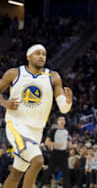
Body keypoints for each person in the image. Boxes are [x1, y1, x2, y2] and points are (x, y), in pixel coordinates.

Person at [0, 44, 73, 188]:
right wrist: (4, 103)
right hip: (17, 126)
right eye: (37, 53)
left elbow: (63, 108)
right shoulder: (14, 73)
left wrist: (69, 101)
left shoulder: (53, 77)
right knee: (38, 161)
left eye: (44, 54)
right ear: (29, 57)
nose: (41, 56)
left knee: (16, 173)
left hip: (36, 131)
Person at [45, 115, 70, 188]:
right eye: (60, 119)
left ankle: (67, 186)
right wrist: (56, 144)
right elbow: (47, 142)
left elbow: (67, 142)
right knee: (50, 170)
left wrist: (69, 146)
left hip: (64, 153)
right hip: (55, 153)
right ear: (57, 121)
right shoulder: (53, 130)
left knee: (66, 171)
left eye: (63, 120)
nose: (62, 121)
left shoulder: (66, 131)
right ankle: (42, 184)